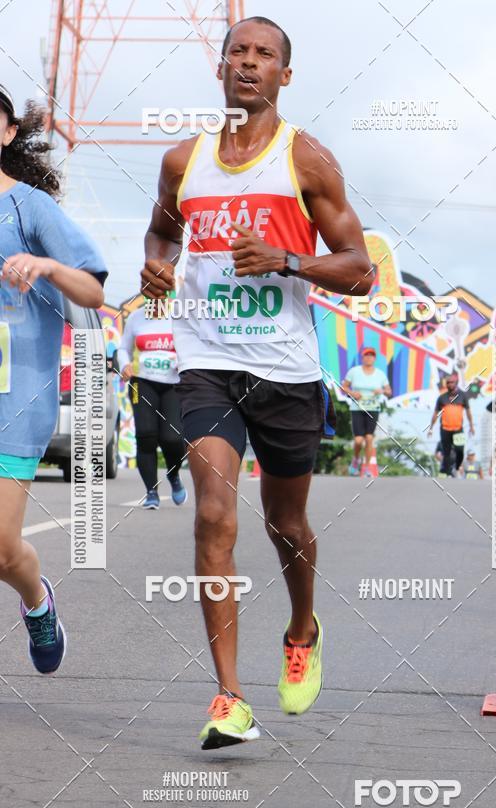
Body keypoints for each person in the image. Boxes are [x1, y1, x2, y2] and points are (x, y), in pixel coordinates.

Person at [140, 17, 374, 748]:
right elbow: (161, 230)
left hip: (287, 369)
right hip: (207, 360)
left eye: (264, 55)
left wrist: (286, 261)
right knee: (214, 514)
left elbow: (361, 269)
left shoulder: (307, 161)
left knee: (285, 526)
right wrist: (158, 263)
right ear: (220, 69)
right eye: (238, 52)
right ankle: (229, 698)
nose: (249, 64)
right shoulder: (183, 161)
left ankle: (302, 625)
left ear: (284, 76)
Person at [0, 86, 107, 674]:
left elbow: (93, 291)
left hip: (14, 399)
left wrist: (46, 265)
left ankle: (37, 602)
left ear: (9, 132)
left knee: (0, 546)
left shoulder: (30, 209)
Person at [118, 297, 187, 509]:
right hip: (141, 383)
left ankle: (174, 475)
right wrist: (124, 364)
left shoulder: (180, 316)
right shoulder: (137, 318)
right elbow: (123, 349)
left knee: (173, 438)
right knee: (146, 435)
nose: (156, 303)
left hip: (173, 385)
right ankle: (151, 492)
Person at [341, 346, 391, 475]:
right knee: (358, 440)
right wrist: (352, 393)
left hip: (373, 408)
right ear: (362, 357)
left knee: (369, 438)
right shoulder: (354, 371)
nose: (369, 358)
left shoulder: (380, 374)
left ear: (374, 358)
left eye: (371, 355)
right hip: (357, 408)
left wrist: (382, 391)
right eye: (366, 355)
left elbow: (389, 391)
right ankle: (356, 459)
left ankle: (368, 467)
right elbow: (344, 387)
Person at [427, 372, 474, 477]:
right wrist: (431, 428)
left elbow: (468, 412)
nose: (450, 384)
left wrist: (471, 426)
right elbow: (435, 414)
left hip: (458, 429)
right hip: (445, 429)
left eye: (452, 382)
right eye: (448, 383)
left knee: (460, 449)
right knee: (446, 452)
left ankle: (457, 468)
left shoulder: (462, 396)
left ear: (456, 383)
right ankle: (447, 473)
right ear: (446, 384)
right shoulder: (441, 398)